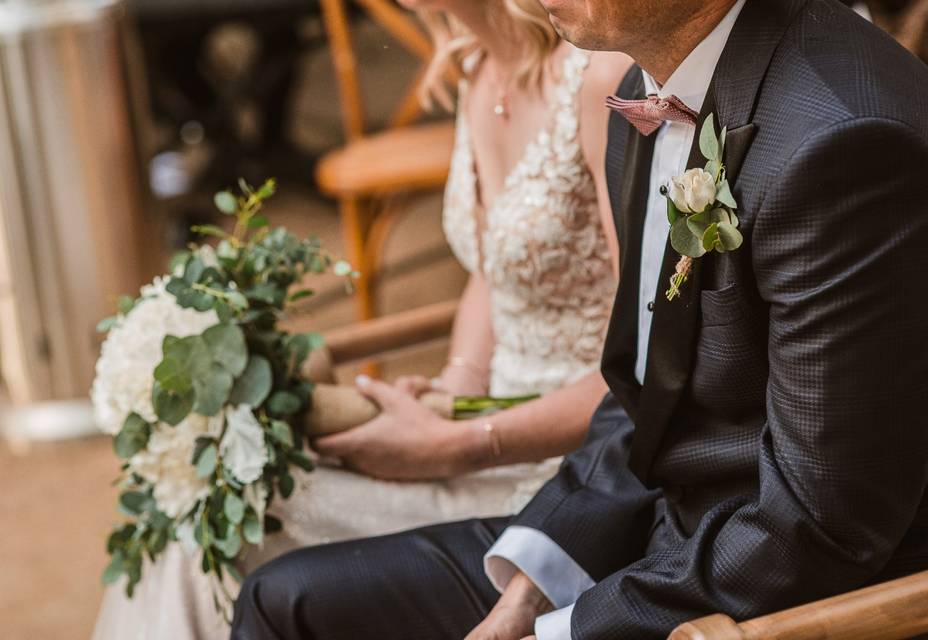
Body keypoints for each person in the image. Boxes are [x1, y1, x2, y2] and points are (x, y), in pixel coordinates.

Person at [230, 0, 928, 639]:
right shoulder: (650, 84)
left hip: (785, 602)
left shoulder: (849, 148)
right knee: (285, 600)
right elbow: (646, 389)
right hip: (658, 534)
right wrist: (538, 576)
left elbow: (815, 531)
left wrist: (571, 628)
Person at [91, 1, 633, 638]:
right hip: (475, 428)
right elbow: (494, 270)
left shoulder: (602, 80)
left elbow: (645, 367)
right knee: (211, 498)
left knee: (232, 525)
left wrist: (461, 442)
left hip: (572, 472)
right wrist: (456, 385)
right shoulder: (475, 66)